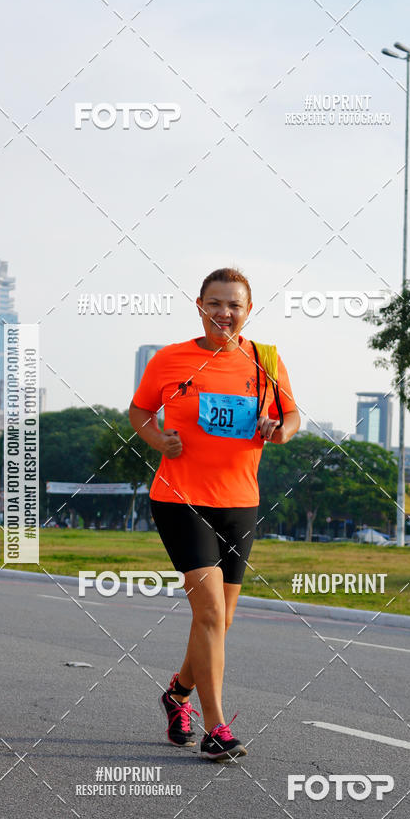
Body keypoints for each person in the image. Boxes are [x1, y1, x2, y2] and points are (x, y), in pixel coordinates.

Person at [129, 267, 300, 760]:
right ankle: (217, 728)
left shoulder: (265, 361)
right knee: (207, 612)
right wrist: (158, 438)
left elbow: (291, 416)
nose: (225, 313)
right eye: (216, 303)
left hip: (239, 503)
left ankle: (177, 694)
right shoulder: (170, 360)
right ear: (199, 305)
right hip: (179, 499)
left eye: (235, 306)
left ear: (248, 311)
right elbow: (139, 411)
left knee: (220, 622)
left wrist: (278, 430)